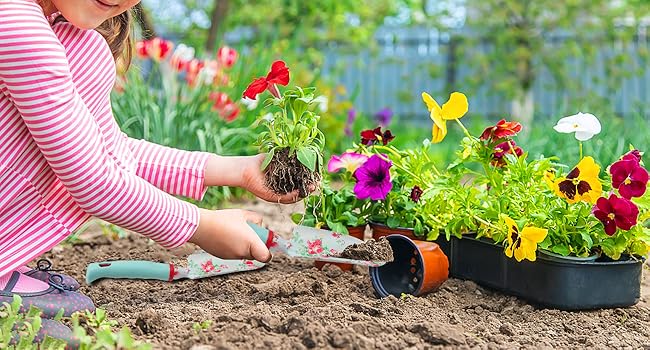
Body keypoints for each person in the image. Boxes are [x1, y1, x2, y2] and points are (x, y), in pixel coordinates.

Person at [0, 0, 302, 344]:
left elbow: (107, 150)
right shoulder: (13, 23)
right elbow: (91, 177)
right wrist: (200, 225)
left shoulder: (57, 30)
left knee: (85, 49)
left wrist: (239, 170)